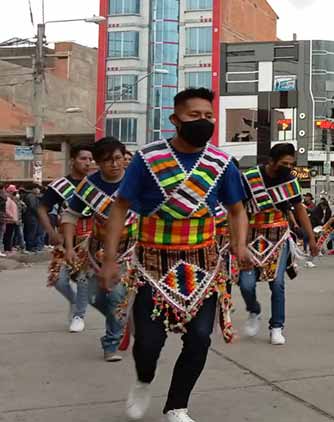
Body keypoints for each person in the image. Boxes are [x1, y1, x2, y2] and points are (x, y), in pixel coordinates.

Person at [98, 88, 251, 422]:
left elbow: (237, 210)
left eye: (208, 116)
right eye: (194, 116)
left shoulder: (221, 163)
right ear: (175, 119)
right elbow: (120, 207)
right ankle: (143, 379)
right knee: (148, 343)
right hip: (153, 264)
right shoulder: (148, 158)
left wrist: (239, 247)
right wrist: (110, 259)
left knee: (199, 339)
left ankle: (177, 405)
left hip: (204, 265)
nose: (203, 122)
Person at [61, 137, 135, 362]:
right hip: (96, 252)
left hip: (128, 251)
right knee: (94, 297)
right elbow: (70, 215)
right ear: (98, 163)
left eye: (118, 159)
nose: (114, 164)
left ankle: (111, 343)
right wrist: (68, 246)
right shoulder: (88, 185)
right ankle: (121, 320)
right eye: (107, 160)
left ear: (124, 159)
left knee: (116, 296)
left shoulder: (136, 181)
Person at [238, 143, 319, 346]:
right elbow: (238, 210)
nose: (288, 167)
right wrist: (237, 241)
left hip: (278, 237)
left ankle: (277, 327)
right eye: (284, 163)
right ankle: (254, 310)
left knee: (278, 284)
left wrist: (311, 238)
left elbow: (299, 209)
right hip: (251, 236)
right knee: (246, 284)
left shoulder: (290, 180)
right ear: (271, 161)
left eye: (291, 164)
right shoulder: (249, 179)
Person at [37, 144, 94, 333]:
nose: (87, 162)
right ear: (72, 161)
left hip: (91, 237)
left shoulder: (96, 183)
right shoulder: (61, 185)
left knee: (84, 278)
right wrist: (51, 232)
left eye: (90, 159)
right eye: (83, 158)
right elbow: (42, 208)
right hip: (65, 237)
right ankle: (74, 300)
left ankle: (79, 315)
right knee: (59, 280)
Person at [22, 186, 42, 252]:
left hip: (34, 217)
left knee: (35, 232)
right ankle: (30, 247)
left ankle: (33, 246)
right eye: (38, 188)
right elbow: (33, 207)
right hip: (31, 217)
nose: (39, 190)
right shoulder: (31, 196)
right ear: (34, 189)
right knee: (32, 232)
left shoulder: (35, 196)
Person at [3, 185, 20, 252]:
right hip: (9, 220)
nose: (15, 194)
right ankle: (7, 248)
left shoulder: (12, 200)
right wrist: (12, 217)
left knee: (10, 235)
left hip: (12, 220)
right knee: (8, 235)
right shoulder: (7, 199)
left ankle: (9, 247)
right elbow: (6, 210)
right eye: (14, 193)